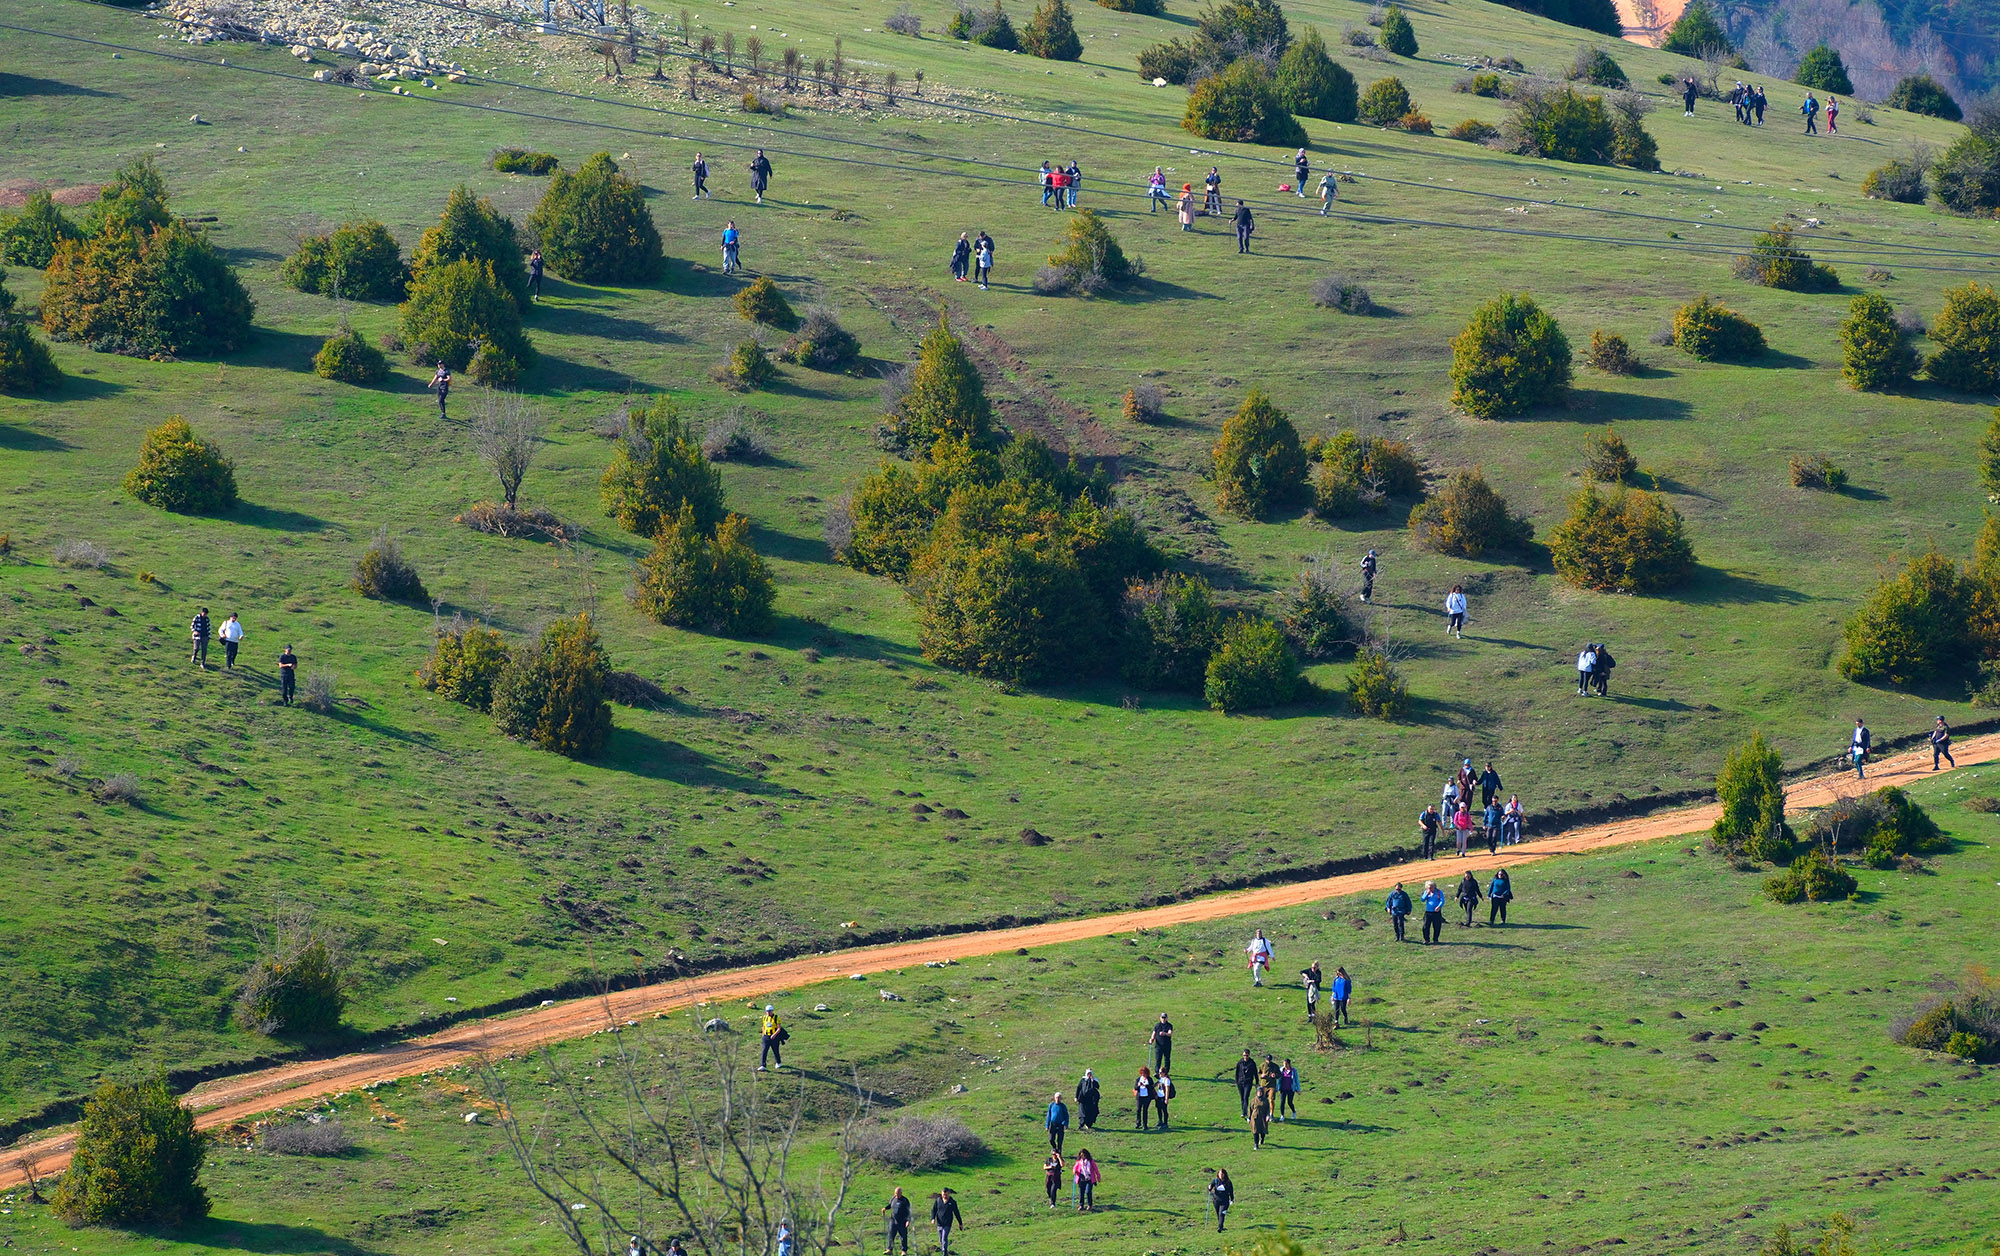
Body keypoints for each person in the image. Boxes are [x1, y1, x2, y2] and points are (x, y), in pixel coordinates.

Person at [930, 1190, 963, 1256]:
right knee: (941, 1239)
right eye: (943, 1194)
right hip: (939, 1223)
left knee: (944, 1238)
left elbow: (956, 1213)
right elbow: (934, 1210)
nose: (944, 1196)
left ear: (949, 1194)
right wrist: (933, 1218)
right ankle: (944, 1250)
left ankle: (944, 1252)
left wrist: (960, 1223)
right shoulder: (938, 1200)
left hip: (947, 1223)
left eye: (946, 1194)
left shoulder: (952, 1202)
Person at [883, 1187, 912, 1256]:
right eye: (895, 1193)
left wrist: (908, 1220)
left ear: (901, 1193)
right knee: (891, 1235)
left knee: (903, 1236)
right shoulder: (893, 1198)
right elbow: (890, 1205)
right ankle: (889, 1249)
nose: (896, 1195)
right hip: (893, 1220)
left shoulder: (905, 1201)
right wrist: (885, 1208)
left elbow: (909, 1211)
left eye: (898, 1193)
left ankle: (904, 1251)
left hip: (902, 1221)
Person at [759, 1004, 786, 1070]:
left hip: (774, 1037)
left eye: (769, 1011)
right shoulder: (764, 1017)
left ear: (772, 1011)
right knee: (764, 1050)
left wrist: (774, 1035)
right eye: (767, 1011)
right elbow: (763, 1026)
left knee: (775, 1050)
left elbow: (779, 1028)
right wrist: (763, 1034)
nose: (768, 1013)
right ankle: (763, 1065)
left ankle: (778, 1062)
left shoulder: (776, 1017)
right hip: (766, 1036)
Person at [1207, 1168, 1234, 1232]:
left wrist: (1232, 1198)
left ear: (1224, 1174)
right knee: (1218, 1214)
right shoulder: (1215, 1181)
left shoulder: (1228, 1182)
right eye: (1220, 1174)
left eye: (1222, 1174)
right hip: (1216, 1200)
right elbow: (1210, 1187)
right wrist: (1209, 1187)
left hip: (1225, 1201)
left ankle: (1220, 1227)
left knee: (1222, 1213)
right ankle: (1221, 1226)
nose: (1221, 1175)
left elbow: (1231, 1191)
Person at [1420, 879, 1446, 944]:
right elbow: (1422, 899)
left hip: (1436, 912)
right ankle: (1426, 939)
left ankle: (1435, 939)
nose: (1430, 889)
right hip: (1428, 912)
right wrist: (1427, 894)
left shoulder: (1439, 892)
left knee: (1437, 926)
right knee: (1425, 926)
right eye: (1429, 888)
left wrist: (1439, 906)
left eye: (1431, 887)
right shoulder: (1426, 892)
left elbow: (1442, 900)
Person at [1234, 1048, 1257, 1117]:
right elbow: (1237, 1072)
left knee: (1246, 1096)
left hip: (1248, 1082)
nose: (1245, 1057)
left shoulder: (1252, 1063)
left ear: (1249, 1055)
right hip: (1240, 1082)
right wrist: (1237, 1081)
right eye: (1244, 1055)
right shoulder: (1240, 1063)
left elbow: (1255, 1073)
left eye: (1247, 1055)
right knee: (1242, 1098)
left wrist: (1257, 1082)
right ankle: (1243, 1111)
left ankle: (1245, 1112)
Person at [1249, 1083, 1273, 1149]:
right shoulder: (1253, 1100)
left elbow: (1268, 1109)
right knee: (1255, 1131)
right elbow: (1250, 1109)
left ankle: (1262, 1139)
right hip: (1255, 1117)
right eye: (1258, 1092)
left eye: (1260, 1092)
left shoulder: (1265, 1100)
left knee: (1263, 1130)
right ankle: (1256, 1144)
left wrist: (1268, 1116)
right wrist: (1249, 1117)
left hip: (1263, 1117)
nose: (1259, 1093)